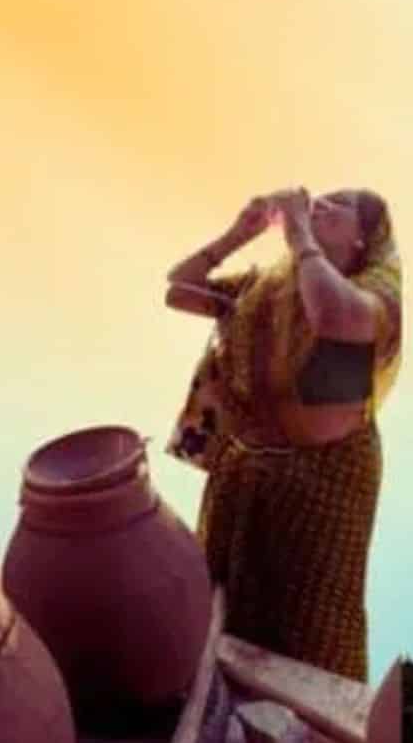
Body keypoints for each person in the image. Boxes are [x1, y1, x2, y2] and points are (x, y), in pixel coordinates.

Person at [164, 186, 401, 682]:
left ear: (363, 239)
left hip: (324, 481)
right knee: (227, 617)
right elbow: (180, 290)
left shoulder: (372, 286)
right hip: (244, 471)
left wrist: (298, 235)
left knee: (311, 629)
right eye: (322, 199)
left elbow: (337, 318)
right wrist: (239, 232)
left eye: (340, 206)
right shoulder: (268, 283)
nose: (321, 206)